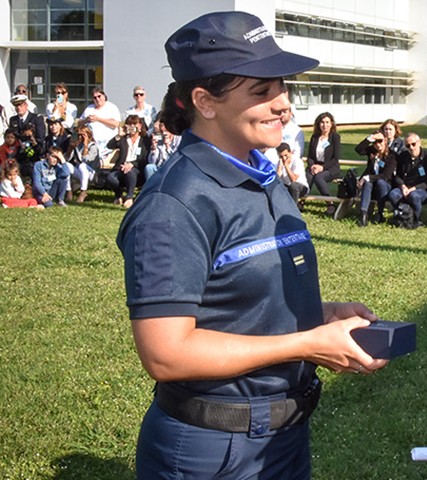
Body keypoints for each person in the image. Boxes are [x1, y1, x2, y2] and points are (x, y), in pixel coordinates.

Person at [115, 11, 387, 479]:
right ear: (204, 101)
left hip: (282, 439)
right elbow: (165, 353)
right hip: (213, 452)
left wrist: (321, 315)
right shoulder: (174, 204)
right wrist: (307, 343)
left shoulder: (262, 175)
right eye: (261, 91)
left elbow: (238, 301)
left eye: (282, 86)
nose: (284, 104)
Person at [387, 132, 427, 227]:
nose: (411, 148)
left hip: (423, 189)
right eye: (408, 145)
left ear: (419, 143)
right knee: (393, 194)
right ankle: (403, 216)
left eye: (413, 144)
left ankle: (416, 220)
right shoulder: (403, 156)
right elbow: (397, 176)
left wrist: (414, 188)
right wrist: (402, 186)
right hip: (405, 187)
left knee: (414, 196)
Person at [105, 114, 151, 208]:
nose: (132, 127)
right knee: (110, 177)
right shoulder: (123, 139)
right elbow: (109, 145)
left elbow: (144, 158)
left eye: (135, 124)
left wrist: (132, 164)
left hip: (137, 169)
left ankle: (129, 197)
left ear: (140, 126)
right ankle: (119, 195)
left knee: (130, 172)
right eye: (130, 124)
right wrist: (119, 135)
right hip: (121, 168)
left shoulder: (145, 140)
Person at [354, 129, 397, 226]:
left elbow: (386, 176)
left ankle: (380, 213)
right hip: (370, 189)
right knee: (368, 183)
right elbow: (358, 149)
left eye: (380, 141)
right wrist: (370, 138)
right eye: (375, 142)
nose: (378, 144)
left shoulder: (392, 155)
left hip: (385, 188)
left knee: (379, 182)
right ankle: (363, 214)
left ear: (385, 140)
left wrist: (367, 177)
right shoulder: (372, 151)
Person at [306, 111, 341, 215]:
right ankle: (301, 200)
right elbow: (310, 156)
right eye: (322, 122)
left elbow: (336, 158)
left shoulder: (335, 137)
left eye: (327, 122)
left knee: (318, 178)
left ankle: (330, 203)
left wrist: (322, 167)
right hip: (315, 166)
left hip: (331, 167)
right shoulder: (315, 137)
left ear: (331, 124)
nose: (324, 125)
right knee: (308, 176)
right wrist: (312, 166)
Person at [79, 87, 122, 158]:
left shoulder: (111, 107)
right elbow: (79, 123)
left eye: (99, 96)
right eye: (95, 98)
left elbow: (115, 124)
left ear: (104, 96)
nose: (97, 99)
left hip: (107, 144)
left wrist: (98, 119)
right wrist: (86, 120)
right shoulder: (89, 108)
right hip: (91, 143)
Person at [67, 125, 100, 204]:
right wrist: (71, 148)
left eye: (83, 135)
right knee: (66, 165)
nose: (80, 137)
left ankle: (83, 192)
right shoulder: (77, 145)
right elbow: (66, 159)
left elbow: (86, 160)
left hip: (91, 174)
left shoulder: (93, 146)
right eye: (79, 135)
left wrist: (85, 146)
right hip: (80, 172)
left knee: (82, 166)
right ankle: (68, 190)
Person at [276, 142, 309, 208]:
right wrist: (280, 166)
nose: (284, 158)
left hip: (300, 187)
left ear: (290, 152)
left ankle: (293, 209)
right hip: (287, 187)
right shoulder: (279, 162)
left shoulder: (297, 161)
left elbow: (294, 179)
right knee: (275, 187)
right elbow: (276, 179)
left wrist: (286, 165)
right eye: (281, 156)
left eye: (286, 155)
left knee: (293, 186)